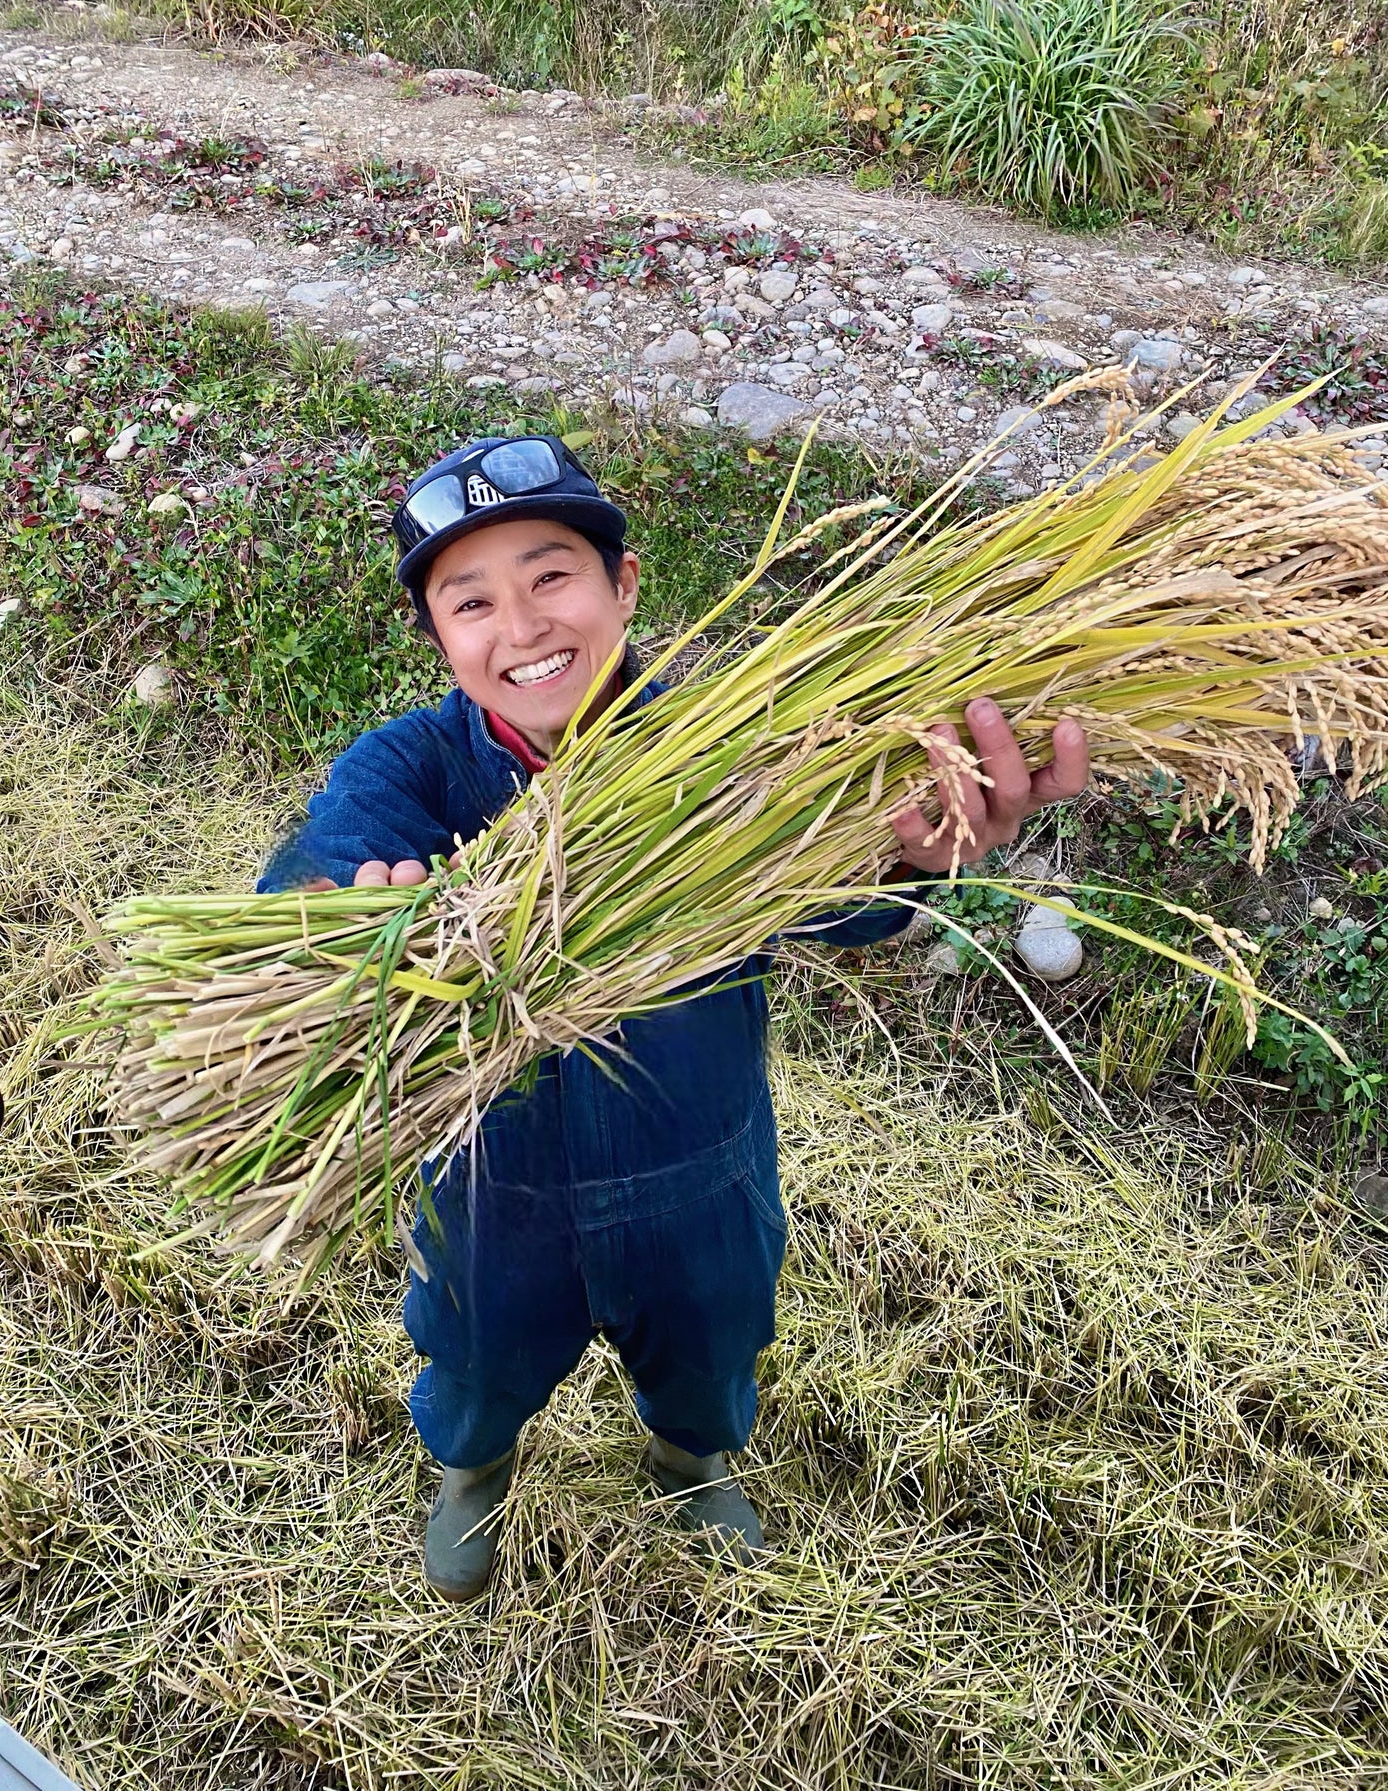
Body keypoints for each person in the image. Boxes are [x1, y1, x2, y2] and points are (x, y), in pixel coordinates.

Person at [258, 433, 1089, 1600]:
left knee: (710, 1341)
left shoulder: (741, 756)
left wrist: (909, 862)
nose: (524, 625)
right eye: (471, 602)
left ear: (623, 585)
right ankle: (474, 1469)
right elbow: (304, 886)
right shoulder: (407, 770)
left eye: (553, 576)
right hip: (494, 1191)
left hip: (699, 1164)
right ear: (437, 639)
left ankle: (689, 1458)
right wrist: (338, 923)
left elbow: (839, 914)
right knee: (478, 1358)